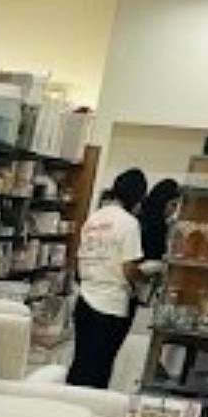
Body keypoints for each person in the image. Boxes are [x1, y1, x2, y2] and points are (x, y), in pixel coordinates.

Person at [67, 167, 147, 389]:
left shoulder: (94, 219)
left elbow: (79, 259)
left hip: (85, 299)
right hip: (111, 303)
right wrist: (143, 279)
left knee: (81, 362)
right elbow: (129, 268)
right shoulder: (129, 223)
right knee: (100, 366)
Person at [139, 178, 182, 264]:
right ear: (162, 201)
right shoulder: (156, 226)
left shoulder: (141, 216)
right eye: (173, 205)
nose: (175, 209)